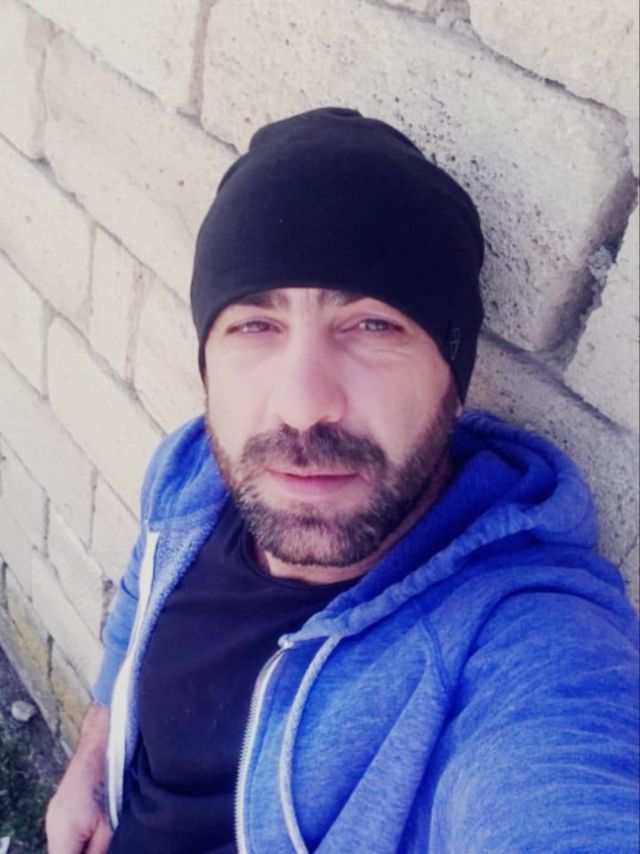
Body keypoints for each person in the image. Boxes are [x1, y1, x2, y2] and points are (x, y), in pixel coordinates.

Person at [46, 108, 639, 854]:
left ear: (454, 383)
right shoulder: (191, 474)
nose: (302, 405)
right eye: (254, 326)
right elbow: (138, 609)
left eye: (373, 326)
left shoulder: (520, 633)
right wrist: (90, 766)